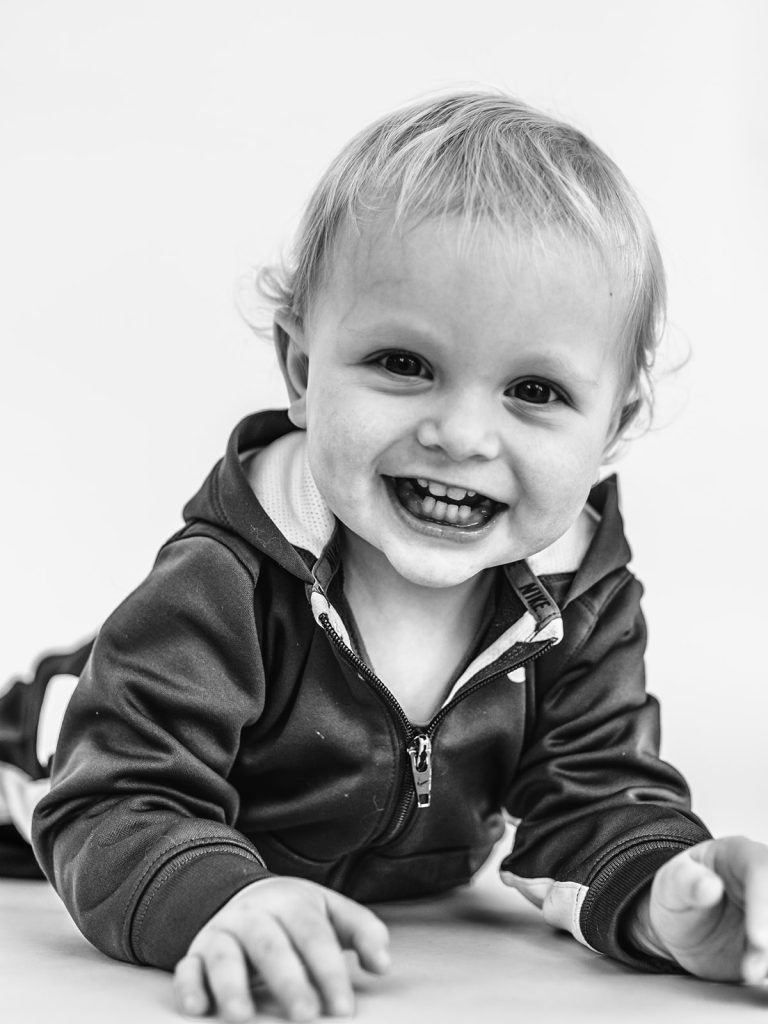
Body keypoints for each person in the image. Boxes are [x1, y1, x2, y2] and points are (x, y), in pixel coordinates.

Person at [2, 90, 768, 1023]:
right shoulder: (223, 579)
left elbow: (594, 793)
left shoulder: (582, 604)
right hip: (58, 747)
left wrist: (665, 895)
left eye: (534, 389)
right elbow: (117, 793)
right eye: (405, 364)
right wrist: (220, 899)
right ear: (299, 369)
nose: (460, 434)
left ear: (615, 429)